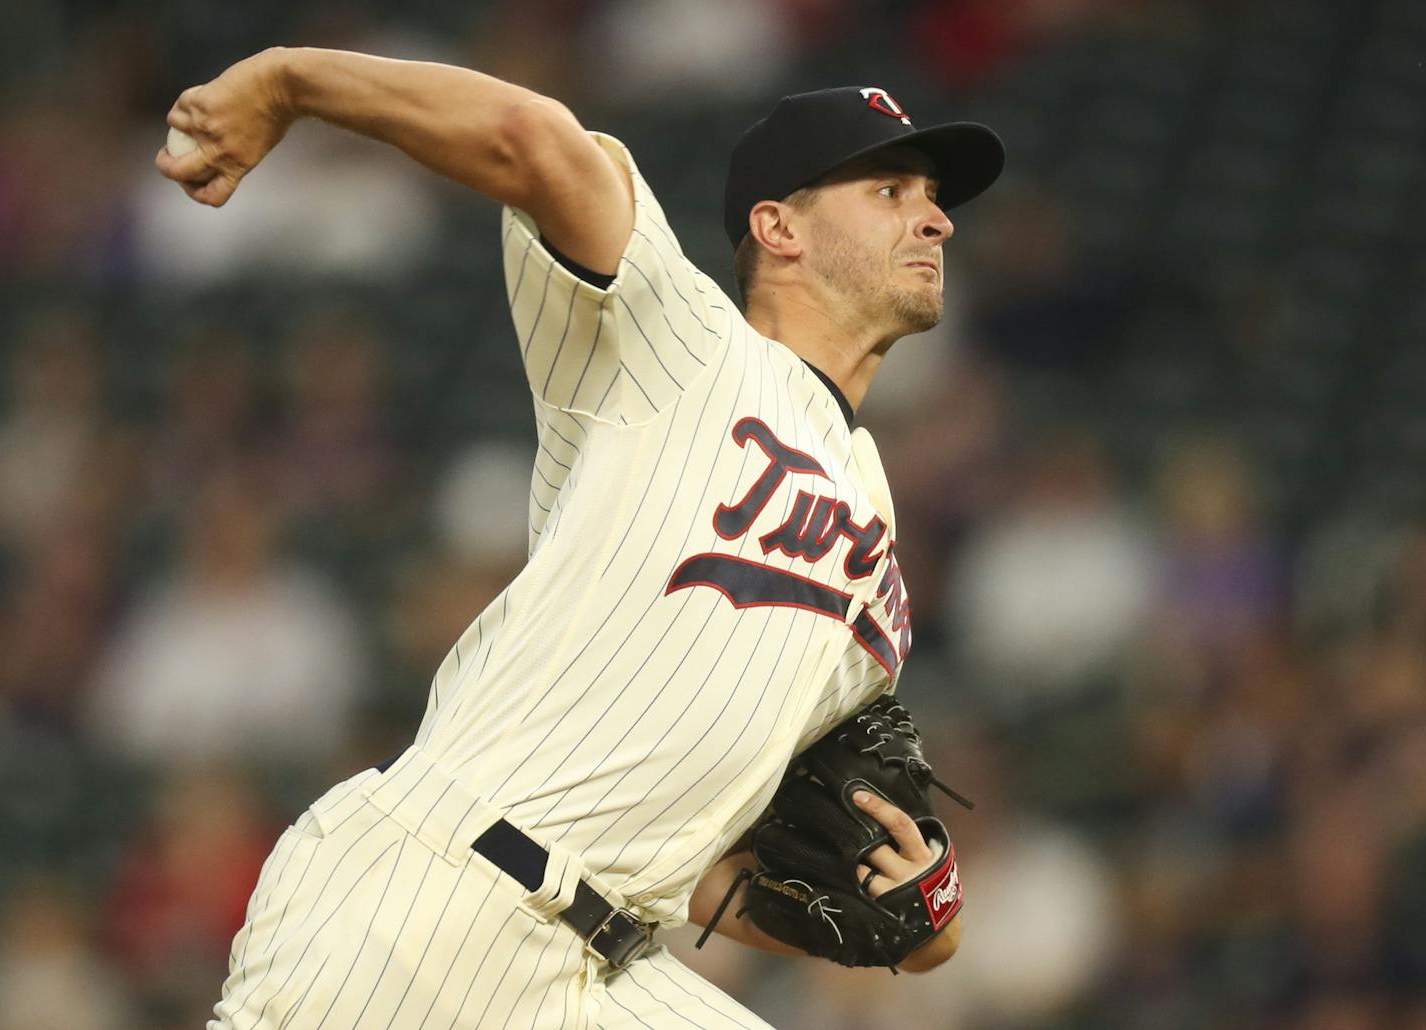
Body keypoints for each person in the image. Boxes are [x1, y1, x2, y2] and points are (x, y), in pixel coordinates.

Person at [156, 47, 1003, 1029]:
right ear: (779, 228)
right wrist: (290, 82)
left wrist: (903, 914)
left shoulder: (874, 513)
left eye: (934, 196)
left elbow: (707, 863)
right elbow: (534, 140)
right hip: (434, 897)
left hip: (601, 958)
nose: (935, 217)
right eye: (890, 189)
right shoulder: (678, 338)